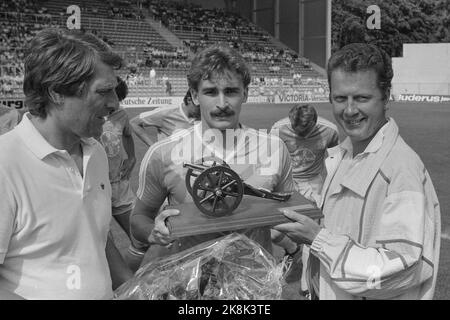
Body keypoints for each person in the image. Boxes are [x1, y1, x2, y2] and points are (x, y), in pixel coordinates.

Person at [274, 43, 441, 300]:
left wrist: (318, 239)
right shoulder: (345, 153)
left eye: (362, 98)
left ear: (386, 97)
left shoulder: (400, 168)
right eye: (341, 98)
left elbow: (403, 268)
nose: (350, 110)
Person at [0, 28, 132, 300]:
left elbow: (93, 236)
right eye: (104, 91)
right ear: (57, 92)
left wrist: (133, 286)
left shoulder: (94, 152)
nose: (115, 103)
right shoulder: (6, 162)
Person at [130, 45, 294, 262]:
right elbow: (139, 218)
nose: (222, 103)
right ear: (194, 96)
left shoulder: (274, 148)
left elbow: (288, 206)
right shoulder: (163, 153)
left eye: (231, 91)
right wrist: (154, 232)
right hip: (189, 284)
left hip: (256, 286)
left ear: (245, 93)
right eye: (210, 92)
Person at [270, 104, 339, 286]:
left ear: (315, 123)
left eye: (306, 132)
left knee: (312, 236)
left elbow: (335, 159)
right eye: (297, 131)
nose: (301, 136)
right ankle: (293, 251)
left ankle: (308, 285)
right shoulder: (278, 130)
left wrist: (329, 189)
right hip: (287, 185)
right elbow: (271, 160)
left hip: (314, 185)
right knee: (274, 233)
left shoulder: (330, 131)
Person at [98, 76, 136, 239]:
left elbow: (127, 135)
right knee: (104, 244)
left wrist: (132, 157)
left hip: (119, 184)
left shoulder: (121, 115)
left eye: (118, 101)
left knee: (139, 236)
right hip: (96, 188)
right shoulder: (88, 117)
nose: (114, 105)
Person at [130, 89, 200, 147]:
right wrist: (153, 147)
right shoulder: (166, 112)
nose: (202, 110)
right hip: (169, 163)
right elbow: (134, 123)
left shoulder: (205, 115)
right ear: (189, 100)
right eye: (199, 107)